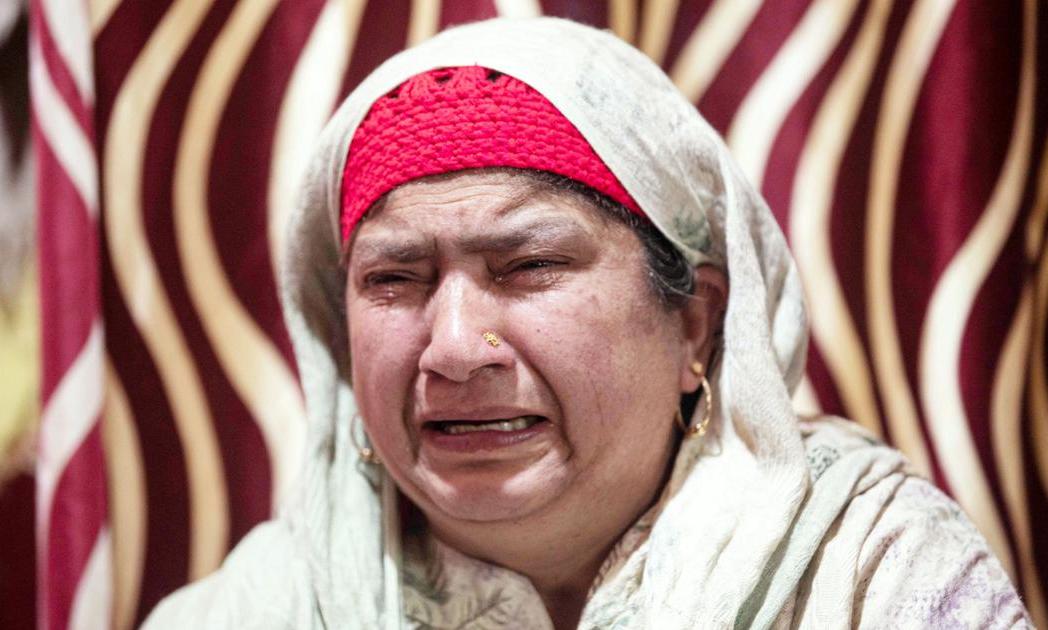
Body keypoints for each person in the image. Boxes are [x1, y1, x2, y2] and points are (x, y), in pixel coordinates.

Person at [144, 17, 1031, 629]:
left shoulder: (873, 574)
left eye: (529, 265)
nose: (453, 350)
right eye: (394, 279)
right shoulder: (256, 609)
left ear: (695, 325)